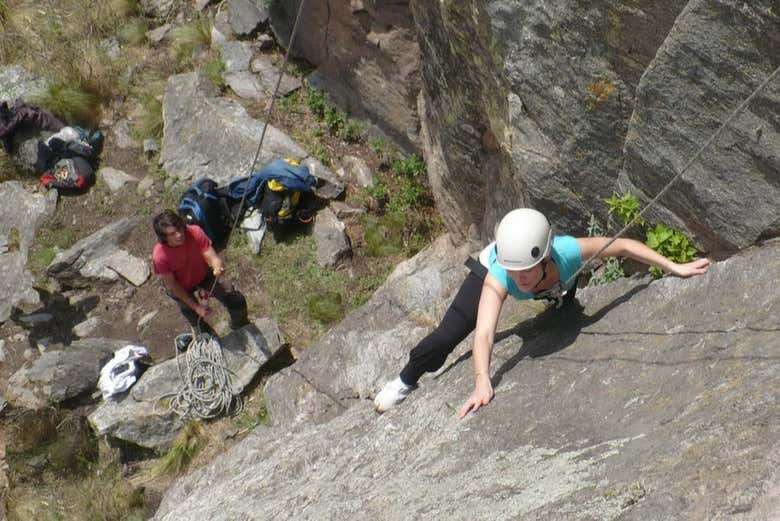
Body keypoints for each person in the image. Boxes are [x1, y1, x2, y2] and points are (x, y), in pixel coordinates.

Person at [373, 208, 711, 417]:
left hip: (552, 282)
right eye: (517, 273)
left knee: (564, 303)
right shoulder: (502, 273)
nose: (520, 278)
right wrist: (482, 380)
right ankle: (405, 379)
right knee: (447, 336)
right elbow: (485, 333)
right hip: (488, 268)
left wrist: (675, 267)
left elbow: (620, 245)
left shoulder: (565, 253)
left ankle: (558, 299)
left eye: (528, 271)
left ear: (546, 257)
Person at [152, 210, 249, 336]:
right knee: (196, 320)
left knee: (235, 299)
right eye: (172, 234)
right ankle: (208, 340)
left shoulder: (193, 231)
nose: (179, 235)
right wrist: (196, 307)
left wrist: (217, 266)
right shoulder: (160, 256)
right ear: (164, 237)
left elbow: (212, 256)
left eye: (179, 229)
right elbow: (173, 286)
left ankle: (240, 324)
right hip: (180, 287)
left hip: (203, 274)